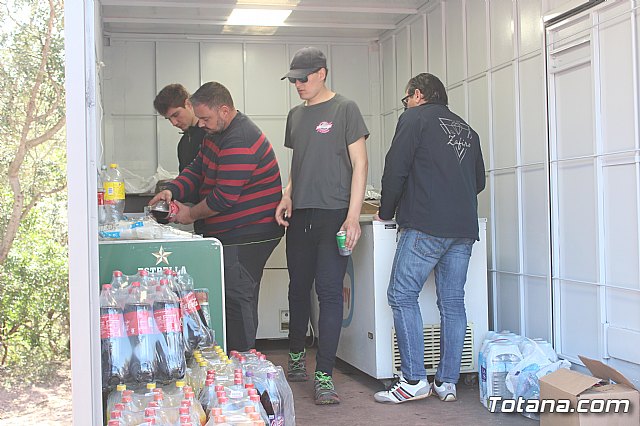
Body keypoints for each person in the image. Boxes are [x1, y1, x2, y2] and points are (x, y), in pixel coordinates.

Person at [373, 73, 485, 404]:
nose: (404, 104)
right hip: (463, 229)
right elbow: (478, 181)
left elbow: (395, 168)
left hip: (426, 225)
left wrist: (385, 210)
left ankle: (412, 381)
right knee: (452, 301)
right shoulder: (467, 129)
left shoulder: (414, 119)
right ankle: (447, 382)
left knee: (401, 294)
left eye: (405, 99)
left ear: (418, 95)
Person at [149, 81, 284, 352]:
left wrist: (189, 214)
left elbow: (223, 197)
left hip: (248, 234)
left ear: (224, 110)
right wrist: (171, 190)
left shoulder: (240, 139)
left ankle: (243, 365)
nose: (200, 124)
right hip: (230, 232)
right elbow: (197, 169)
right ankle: (235, 362)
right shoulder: (215, 134)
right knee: (231, 296)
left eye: (205, 118)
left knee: (237, 297)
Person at [275, 46, 369, 405]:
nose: (297, 84)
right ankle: (296, 354)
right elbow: (301, 163)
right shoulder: (295, 116)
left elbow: (359, 165)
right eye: (293, 79)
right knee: (298, 288)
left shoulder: (345, 109)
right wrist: (287, 194)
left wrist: (351, 215)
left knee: (329, 294)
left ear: (322, 73)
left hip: (334, 215)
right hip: (301, 216)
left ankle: (325, 376)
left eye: (303, 78)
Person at [153, 83, 206, 172]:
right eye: (169, 119)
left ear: (188, 104)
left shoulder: (210, 135)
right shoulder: (183, 144)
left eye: (176, 115)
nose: (173, 123)